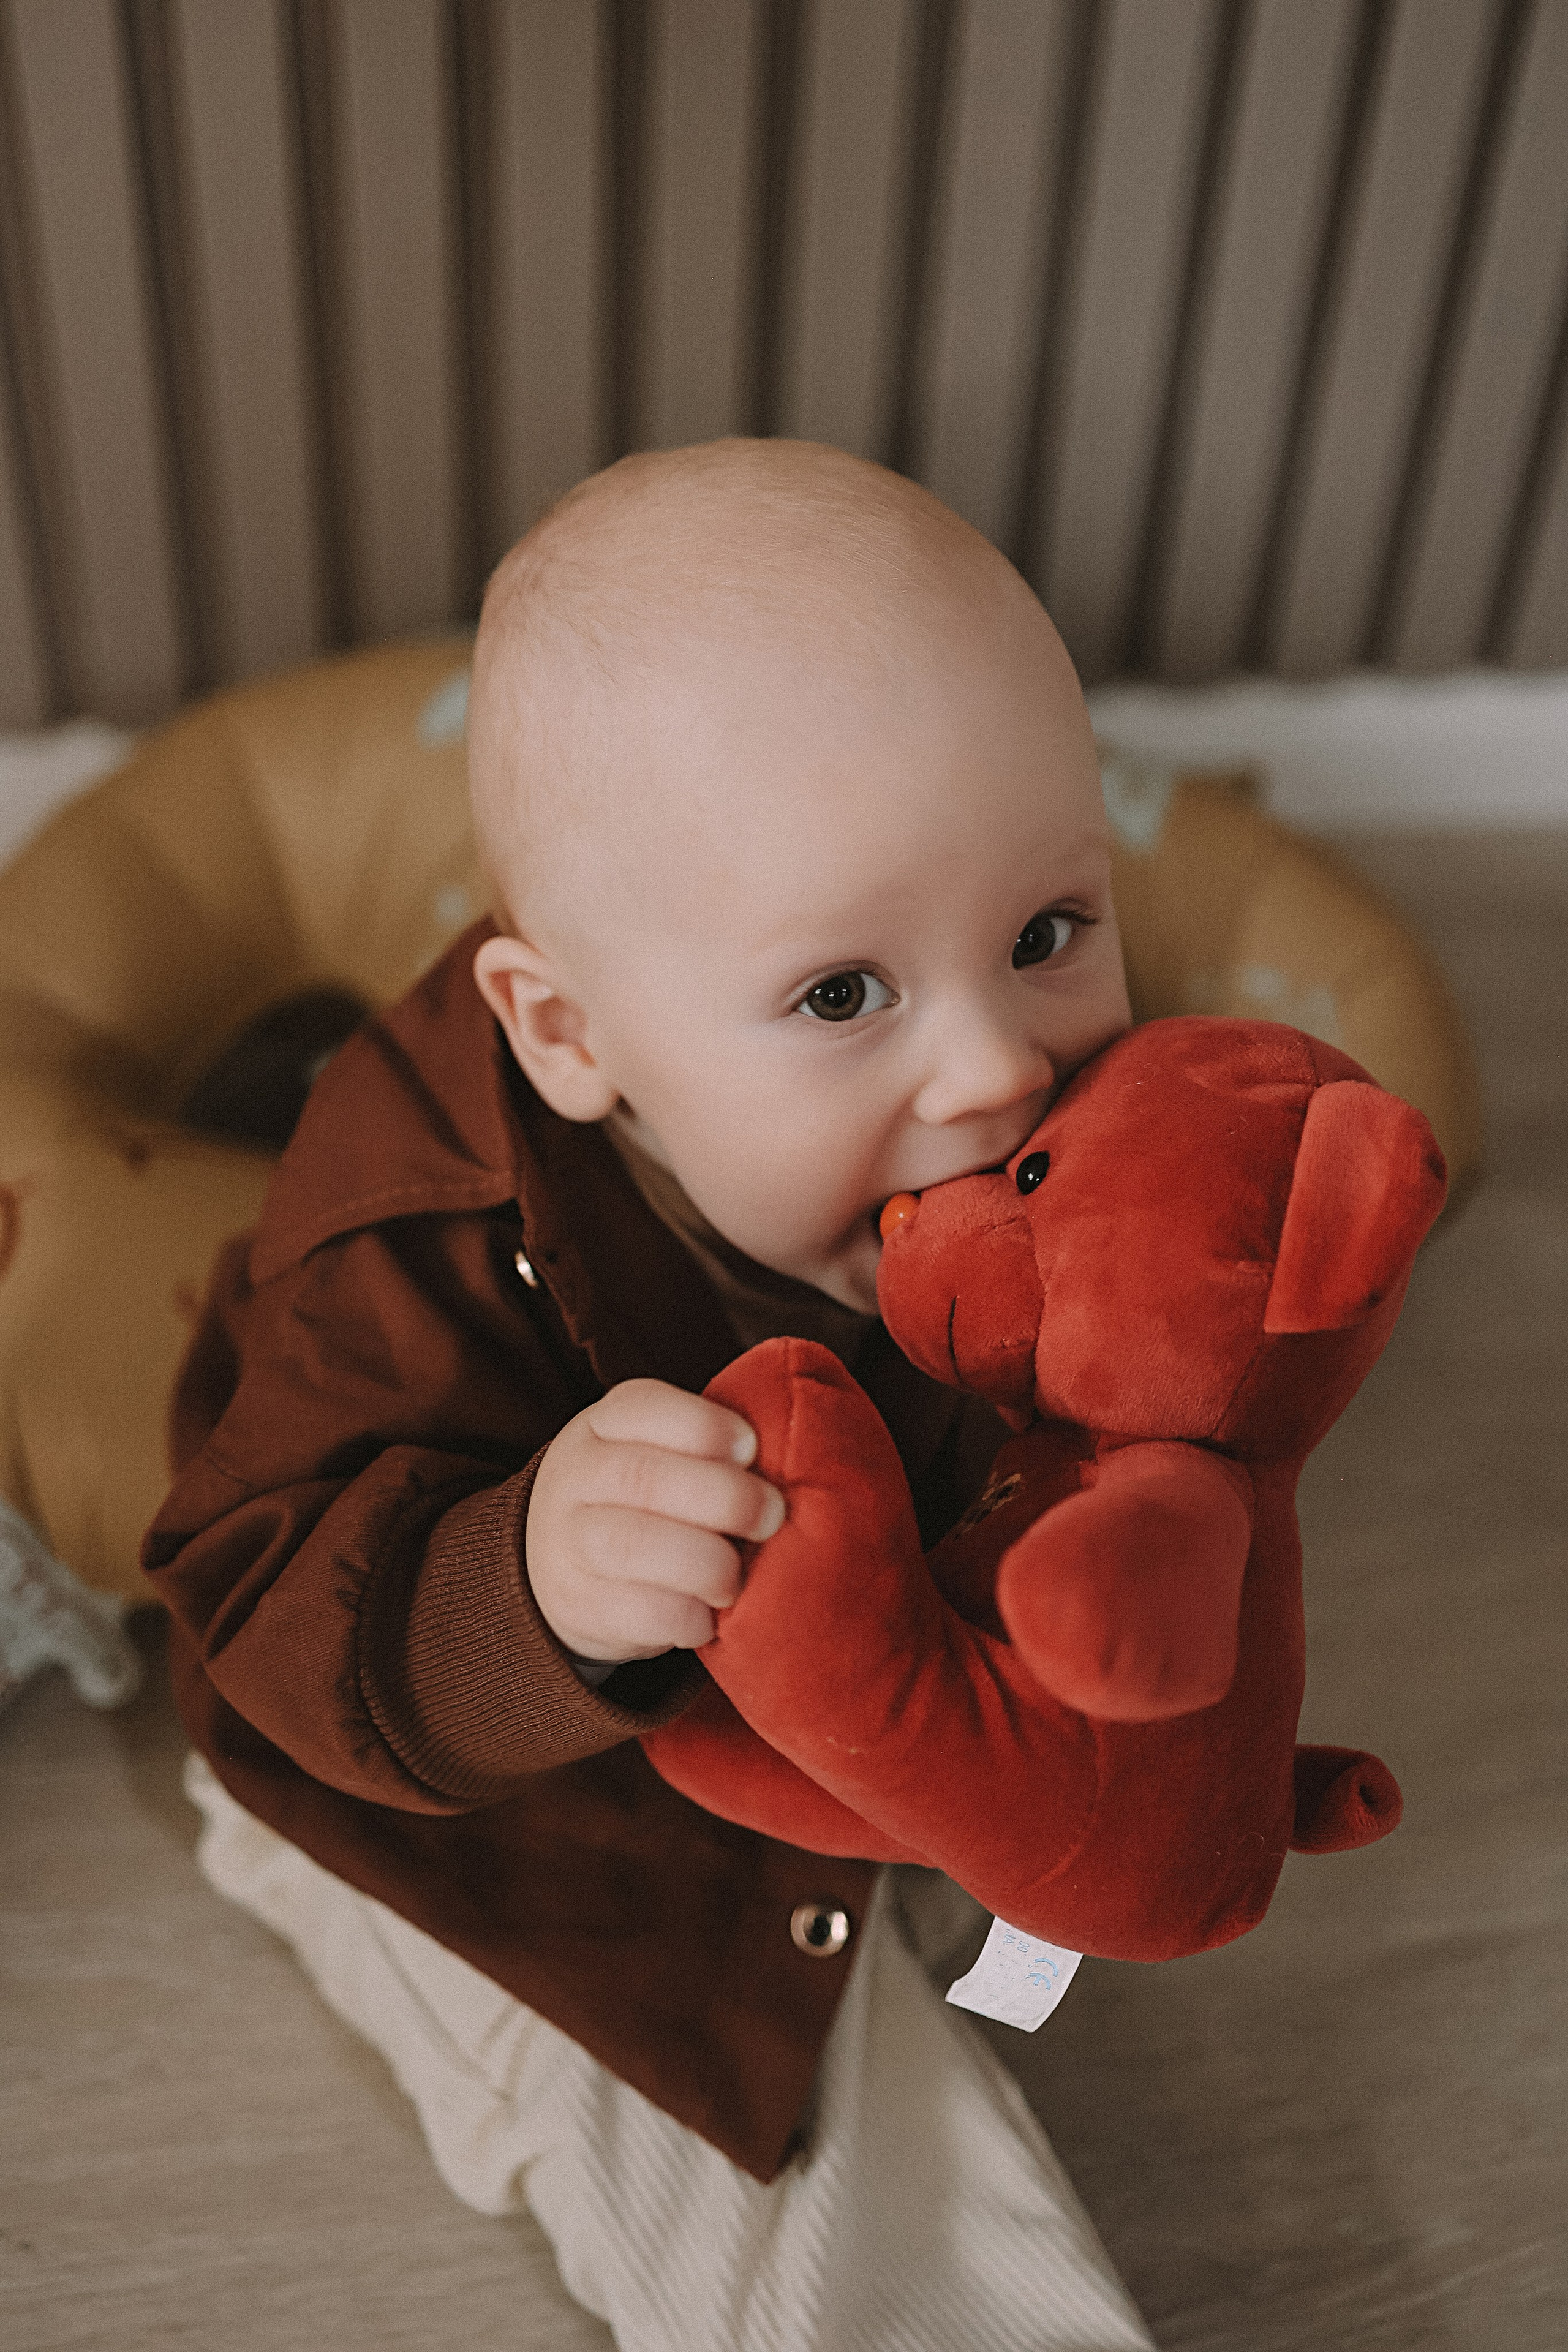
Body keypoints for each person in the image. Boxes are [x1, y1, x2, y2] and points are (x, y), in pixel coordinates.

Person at [146, 438, 1153, 2350]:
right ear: (571, 1034)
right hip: (464, 1797)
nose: (996, 1072)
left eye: (1047, 934)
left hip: (845, 1666)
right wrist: (530, 1582)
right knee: (806, 2158)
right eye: (845, 995)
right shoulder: (412, 1242)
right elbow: (268, 1607)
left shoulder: (996, 1106)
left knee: (1066, 1876)